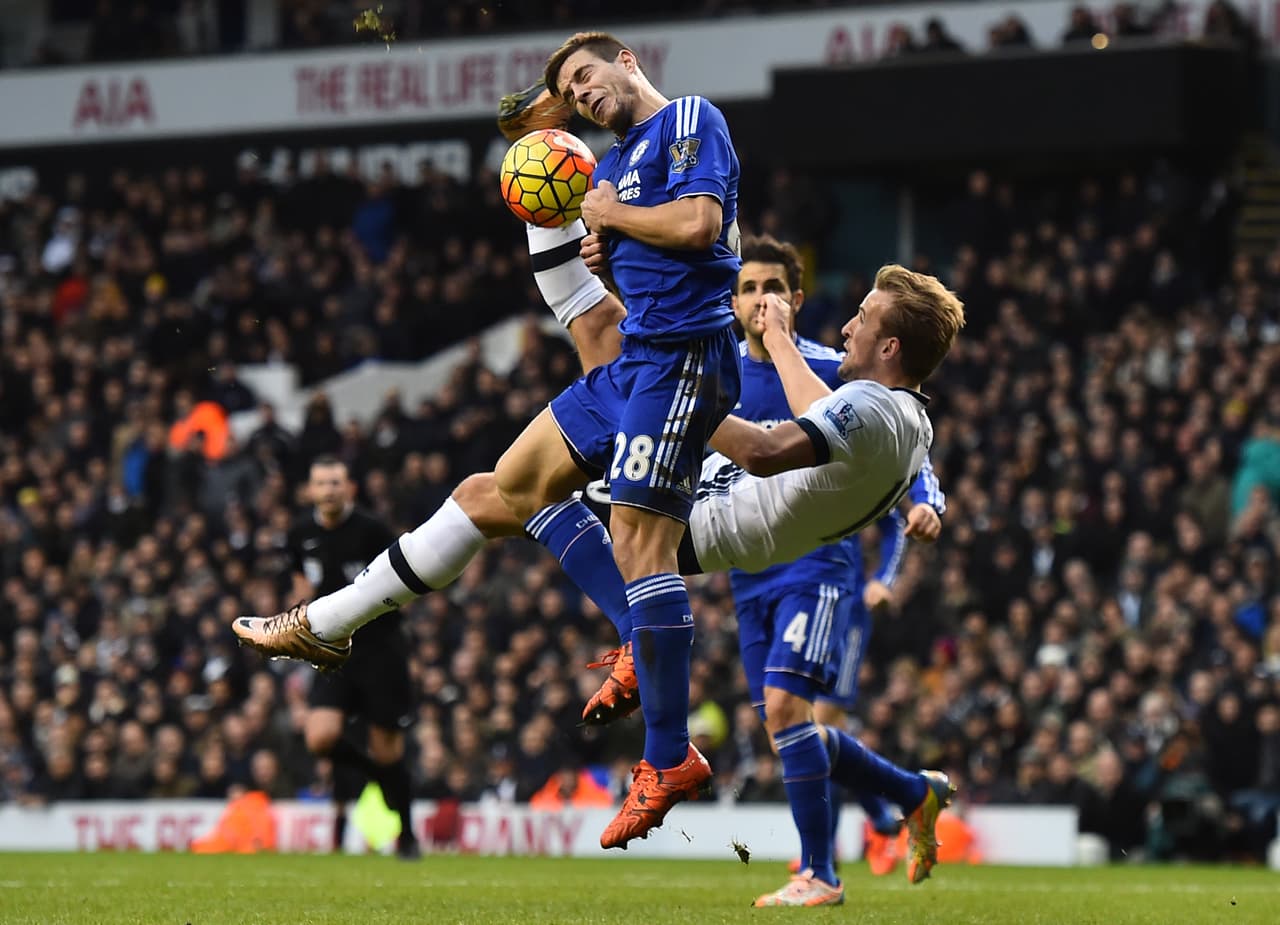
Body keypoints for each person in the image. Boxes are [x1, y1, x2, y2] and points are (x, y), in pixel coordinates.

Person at [722, 235, 946, 905]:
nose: (759, 300)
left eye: (771, 288)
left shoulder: (828, 369)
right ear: (733, 303)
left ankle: (820, 871)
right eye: (746, 288)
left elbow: (904, 448)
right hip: (749, 567)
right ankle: (911, 792)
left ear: (793, 300)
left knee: (792, 708)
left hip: (819, 559)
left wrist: (927, 502)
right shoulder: (720, 373)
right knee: (790, 727)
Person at [284, 456, 419, 859]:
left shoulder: (372, 530)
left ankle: (407, 835)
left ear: (349, 489)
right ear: (310, 490)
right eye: (321, 483)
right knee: (319, 736)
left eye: (335, 483)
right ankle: (382, 778)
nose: (328, 490)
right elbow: (300, 585)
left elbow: (402, 583)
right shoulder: (299, 533)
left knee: (387, 749)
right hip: (332, 651)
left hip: (380, 651)